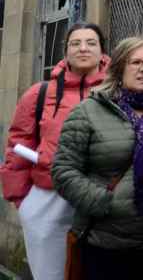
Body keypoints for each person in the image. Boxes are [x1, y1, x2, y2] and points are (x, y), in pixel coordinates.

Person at [51, 37, 143, 280]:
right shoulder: (89, 111)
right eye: (136, 62)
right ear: (120, 68)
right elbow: (63, 170)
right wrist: (102, 202)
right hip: (106, 241)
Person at [0, 22, 109, 280]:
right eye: (75, 43)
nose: (83, 48)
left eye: (91, 43)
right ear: (66, 50)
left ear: (102, 50)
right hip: (49, 199)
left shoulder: (117, 91)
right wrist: (22, 200)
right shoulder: (40, 94)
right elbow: (18, 144)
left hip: (102, 198)